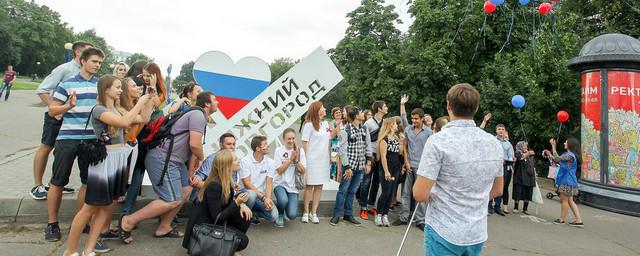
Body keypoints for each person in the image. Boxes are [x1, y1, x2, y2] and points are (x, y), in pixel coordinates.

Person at [63, 75, 154, 256]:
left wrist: (149, 98)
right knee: (90, 208)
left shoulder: (117, 109)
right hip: (104, 160)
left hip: (118, 158)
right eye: (117, 87)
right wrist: (140, 101)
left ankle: (89, 249)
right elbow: (124, 123)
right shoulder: (99, 109)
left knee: (106, 207)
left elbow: (143, 118)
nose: (121, 90)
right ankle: (70, 250)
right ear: (106, 89)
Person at [413, 83, 504, 256]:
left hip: (443, 229)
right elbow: (498, 190)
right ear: (476, 108)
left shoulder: (438, 141)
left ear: (448, 105)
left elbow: (420, 194)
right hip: (476, 232)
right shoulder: (494, 143)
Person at [118, 92, 218, 244]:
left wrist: (191, 172)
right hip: (164, 159)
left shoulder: (198, 115)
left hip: (175, 161)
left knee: (186, 190)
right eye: (215, 100)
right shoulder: (198, 115)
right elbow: (195, 145)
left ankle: (164, 227)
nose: (218, 102)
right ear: (207, 104)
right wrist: (202, 158)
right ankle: (128, 221)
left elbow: (191, 149)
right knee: (171, 199)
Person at [44, 47, 104, 243]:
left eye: (100, 63)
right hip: (67, 138)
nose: (97, 65)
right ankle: (52, 223)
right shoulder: (67, 84)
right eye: (94, 61)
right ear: (83, 61)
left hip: (91, 141)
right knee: (58, 181)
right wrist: (68, 106)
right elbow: (52, 111)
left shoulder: (100, 86)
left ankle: (81, 221)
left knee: (87, 182)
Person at [31, 41, 93, 200]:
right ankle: (37, 185)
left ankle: (56, 183)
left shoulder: (87, 73)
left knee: (62, 155)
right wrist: (56, 108)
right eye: (88, 53)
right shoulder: (64, 69)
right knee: (46, 146)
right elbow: (42, 89)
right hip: (57, 117)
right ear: (79, 53)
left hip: (74, 120)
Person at [182, 149, 253, 255]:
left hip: (213, 220)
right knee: (243, 241)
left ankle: (226, 245)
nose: (239, 161)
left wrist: (241, 204)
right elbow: (217, 217)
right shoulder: (214, 185)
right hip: (203, 229)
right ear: (227, 165)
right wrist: (237, 203)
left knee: (244, 216)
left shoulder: (226, 181)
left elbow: (226, 205)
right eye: (235, 159)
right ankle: (220, 246)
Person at [392, 95, 432, 230]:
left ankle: (420, 219)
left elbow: (430, 152)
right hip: (409, 165)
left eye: (416, 119)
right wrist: (402, 104)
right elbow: (406, 147)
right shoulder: (408, 129)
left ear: (422, 119)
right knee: (405, 193)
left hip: (422, 167)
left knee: (419, 194)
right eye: (412, 118)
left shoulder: (428, 133)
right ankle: (403, 217)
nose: (413, 121)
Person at [330, 105, 371, 226]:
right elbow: (342, 150)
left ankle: (348, 214)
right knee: (343, 190)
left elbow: (367, 145)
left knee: (352, 191)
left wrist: (368, 162)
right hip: (349, 166)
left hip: (360, 166)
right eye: (361, 112)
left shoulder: (365, 129)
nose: (363, 114)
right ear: (356, 116)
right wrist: (347, 167)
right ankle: (336, 215)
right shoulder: (345, 130)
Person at [301, 101, 338, 224]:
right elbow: (304, 143)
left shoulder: (326, 123)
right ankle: (306, 212)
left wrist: (337, 125)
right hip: (311, 160)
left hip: (323, 160)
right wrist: (305, 160)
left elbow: (331, 136)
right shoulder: (308, 125)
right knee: (309, 186)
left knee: (319, 186)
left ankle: (314, 212)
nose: (325, 108)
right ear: (317, 110)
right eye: (323, 107)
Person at [270, 128, 307, 227]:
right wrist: (290, 159)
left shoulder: (300, 151)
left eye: (293, 138)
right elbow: (279, 170)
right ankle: (280, 214)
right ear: (284, 139)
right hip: (280, 184)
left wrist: (296, 160)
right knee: (283, 200)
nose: (291, 141)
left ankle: (286, 209)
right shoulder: (278, 150)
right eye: (289, 139)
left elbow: (303, 171)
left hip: (293, 187)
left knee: (292, 215)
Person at [239, 136, 279, 223]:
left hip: (261, 196)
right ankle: (242, 217)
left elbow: (269, 183)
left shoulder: (271, 162)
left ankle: (252, 213)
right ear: (257, 148)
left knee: (274, 216)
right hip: (247, 193)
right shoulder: (245, 161)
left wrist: (268, 199)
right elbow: (247, 184)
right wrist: (264, 198)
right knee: (252, 194)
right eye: (265, 144)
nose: (268, 146)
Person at [189, 133, 237, 204]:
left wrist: (234, 185)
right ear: (221, 145)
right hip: (207, 195)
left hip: (225, 195)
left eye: (233, 144)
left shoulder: (233, 160)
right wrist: (196, 178)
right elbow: (199, 177)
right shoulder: (212, 159)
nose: (232, 147)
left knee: (248, 195)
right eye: (229, 144)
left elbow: (233, 182)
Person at [360, 100, 388, 220]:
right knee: (366, 181)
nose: (387, 108)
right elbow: (364, 140)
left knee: (377, 182)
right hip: (370, 154)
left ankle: (371, 206)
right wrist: (367, 156)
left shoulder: (385, 122)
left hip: (380, 155)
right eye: (385, 106)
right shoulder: (368, 123)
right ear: (379, 109)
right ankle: (363, 207)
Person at [549, 138, 584, 227]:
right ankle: (579, 220)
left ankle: (561, 219)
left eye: (566, 142)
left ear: (570, 145)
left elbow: (556, 159)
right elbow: (558, 159)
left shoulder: (570, 156)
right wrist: (553, 147)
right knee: (570, 201)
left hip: (567, 181)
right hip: (570, 181)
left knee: (564, 200)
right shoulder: (570, 156)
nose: (564, 143)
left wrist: (549, 153)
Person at [375, 117, 402, 227]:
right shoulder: (384, 139)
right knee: (385, 192)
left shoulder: (396, 138)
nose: (397, 126)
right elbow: (383, 157)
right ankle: (379, 214)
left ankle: (385, 214)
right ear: (390, 125)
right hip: (386, 169)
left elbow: (399, 153)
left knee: (391, 193)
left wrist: (402, 143)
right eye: (395, 124)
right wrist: (386, 171)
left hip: (396, 168)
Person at [493, 124, 515, 216]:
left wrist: (511, 159)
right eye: (499, 129)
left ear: (504, 131)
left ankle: (497, 206)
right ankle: (488, 206)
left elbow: (510, 155)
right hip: (494, 165)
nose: (501, 130)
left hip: (504, 166)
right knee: (491, 185)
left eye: (502, 129)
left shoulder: (508, 143)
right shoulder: (492, 140)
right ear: (496, 131)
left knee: (500, 186)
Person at [512, 141, 536, 215]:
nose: (525, 147)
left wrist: (535, 173)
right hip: (519, 176)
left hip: (530, 177)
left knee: (528, 193)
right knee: (518, 192)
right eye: (523, 146)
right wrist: (527, 154)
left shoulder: (531, 155)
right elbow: (519, 159)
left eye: (526, 146)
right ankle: (516, 207)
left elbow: (533, 165)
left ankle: (525, 209)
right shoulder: (517, 153)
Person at [329, 107, 343, 180]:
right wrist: (337, 125)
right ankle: (332, 177)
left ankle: (338, 179)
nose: (338, 114)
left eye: (339, 112)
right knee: (334, 162)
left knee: (341, 164)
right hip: (335, 144)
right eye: (336, 113)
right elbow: (331, 135)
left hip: (343, 144)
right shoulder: (332, 123)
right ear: (333, 115)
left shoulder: (344, 121)